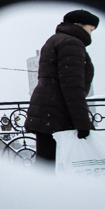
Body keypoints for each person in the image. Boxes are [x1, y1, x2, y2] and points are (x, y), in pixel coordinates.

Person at [25, 10, 99, 163]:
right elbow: (72, 86)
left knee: (47, 166)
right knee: (63, 167)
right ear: (79, 25)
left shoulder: (55, 40)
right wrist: (82, 122)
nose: (91, 34)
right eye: (91, 29)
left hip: (46, 114)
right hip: (59, 115)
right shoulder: (72, 43)